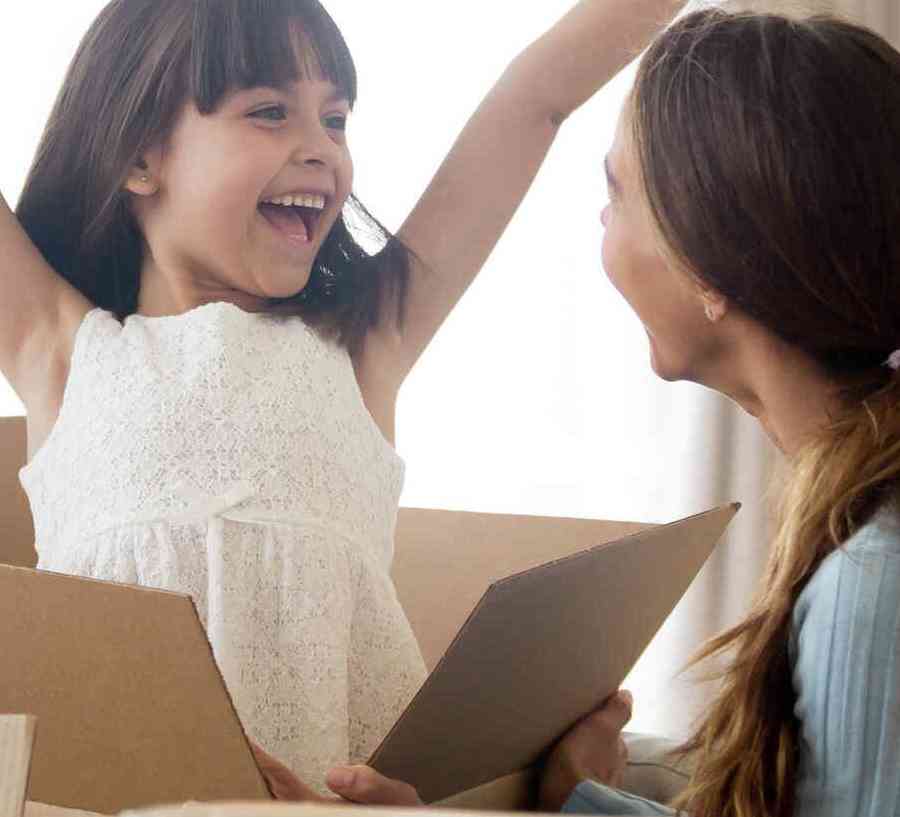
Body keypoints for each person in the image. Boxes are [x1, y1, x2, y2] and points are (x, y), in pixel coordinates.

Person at [0, 0, 686, 795]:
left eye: (335, 118)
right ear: (138, 157)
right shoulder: (60, 353)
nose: (320, 149)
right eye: (269, 112)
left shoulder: (362, 347)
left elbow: (534, 99)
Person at [275, 7, 900, 815]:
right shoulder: (856, 528)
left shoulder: (870, 579)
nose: (603, 221)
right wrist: (581, 795)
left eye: (620, 194)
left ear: (712, 262)